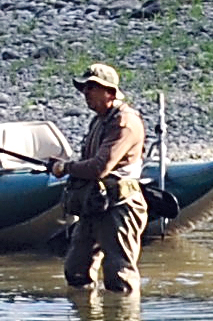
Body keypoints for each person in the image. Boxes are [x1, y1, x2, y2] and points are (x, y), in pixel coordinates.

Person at [60, 62, 148, 297]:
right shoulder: (99, 120)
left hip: (121, 206)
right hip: (95, 204)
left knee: (120, 278)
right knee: (76, 270)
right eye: (85, 88)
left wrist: (65, 168)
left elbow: (101, 167)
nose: (86, 93)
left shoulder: (125, 122)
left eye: (92, 87)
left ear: (110, 92)